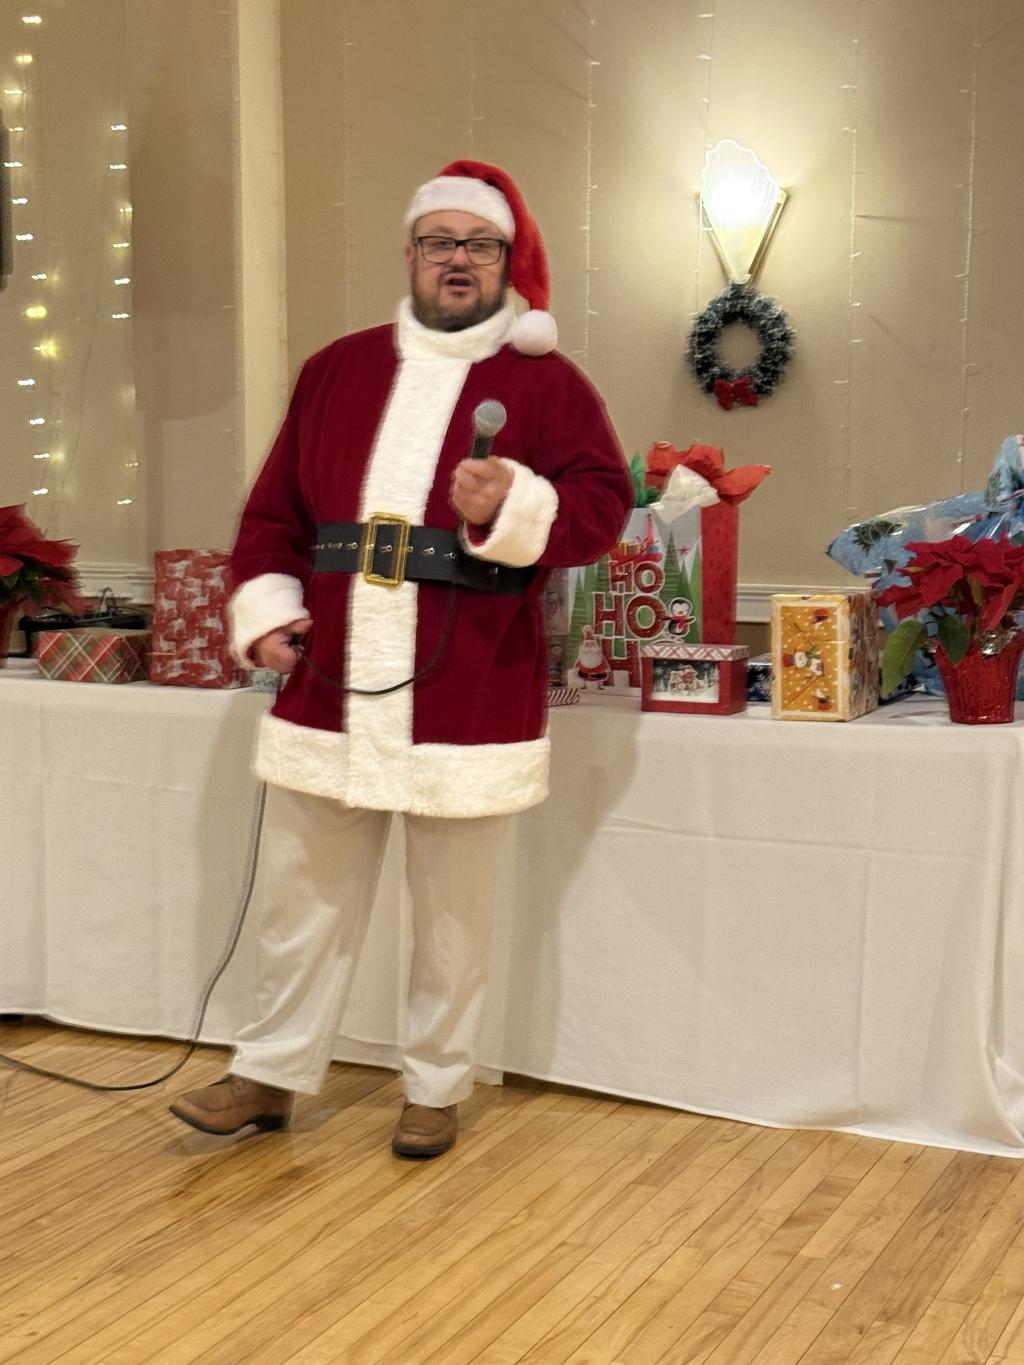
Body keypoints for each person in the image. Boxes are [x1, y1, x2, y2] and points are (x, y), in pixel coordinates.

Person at [169, 159, 632, 1158]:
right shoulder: (336, 369)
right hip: (331, 675)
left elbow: (602, 508)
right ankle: (266, 1073)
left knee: (454, 913)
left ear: (506, 260)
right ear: (411, 254)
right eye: (439, 242)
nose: (457, 260)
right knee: (299, 898)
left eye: (480, 245)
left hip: (470, 682)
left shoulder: (548, 383)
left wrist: (513, 503)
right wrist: (269, 611)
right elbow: (273, 515)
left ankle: (436, 1085)